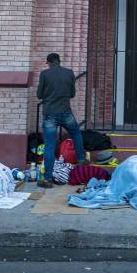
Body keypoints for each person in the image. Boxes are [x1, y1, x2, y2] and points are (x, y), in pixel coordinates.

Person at [36, 52, 85, 188]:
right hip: (65, 112)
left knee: (49, 146)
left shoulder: (45, 74)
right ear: (59, 61)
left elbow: (39, 95)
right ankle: (81, 161)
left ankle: (48, 179)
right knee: (76, 133)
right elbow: (72, 94)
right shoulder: (69, 73)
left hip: (50, 113)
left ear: (49, 62)